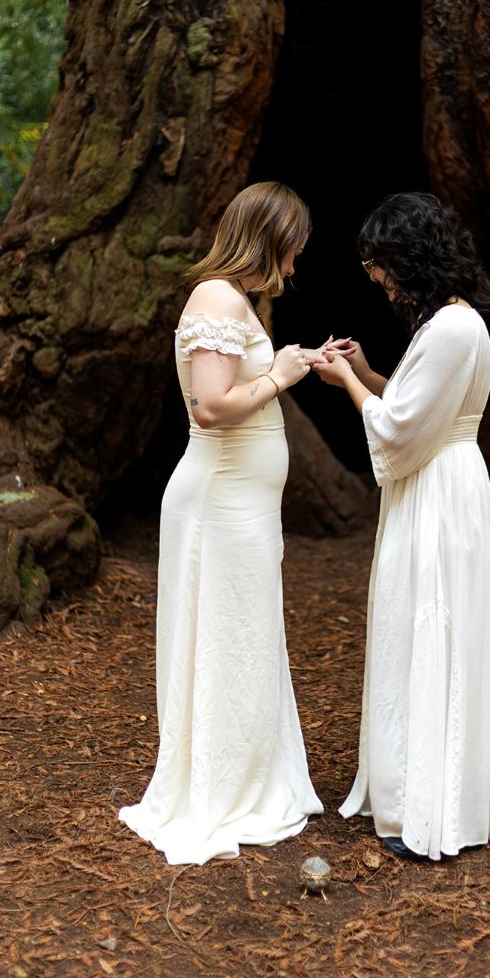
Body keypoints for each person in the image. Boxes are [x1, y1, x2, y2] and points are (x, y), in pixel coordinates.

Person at [119, 181, 325, 865]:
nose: (294, 266)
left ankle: (247, 774)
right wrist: (283, 375)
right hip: (218, 503)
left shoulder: (238, 303)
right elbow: (210, 406)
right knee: (224, 636)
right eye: (291, 250)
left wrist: (294, 364)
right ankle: (216, 788)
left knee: (245, 635)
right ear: (266, 239)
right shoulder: (215, 297)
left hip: (244, 505)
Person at [315, 191, 490, 862]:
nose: (382, 283)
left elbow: (399, 433)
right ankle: (423, 791)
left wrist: (349, 384)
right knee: (428, 629)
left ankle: (423, 807)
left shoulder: (451, 330)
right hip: (447, 482)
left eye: (384, 268)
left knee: (426, 628)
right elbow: (421, 407)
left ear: (411, 260)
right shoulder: (456, 323)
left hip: (439, 495)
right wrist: (365, 373)